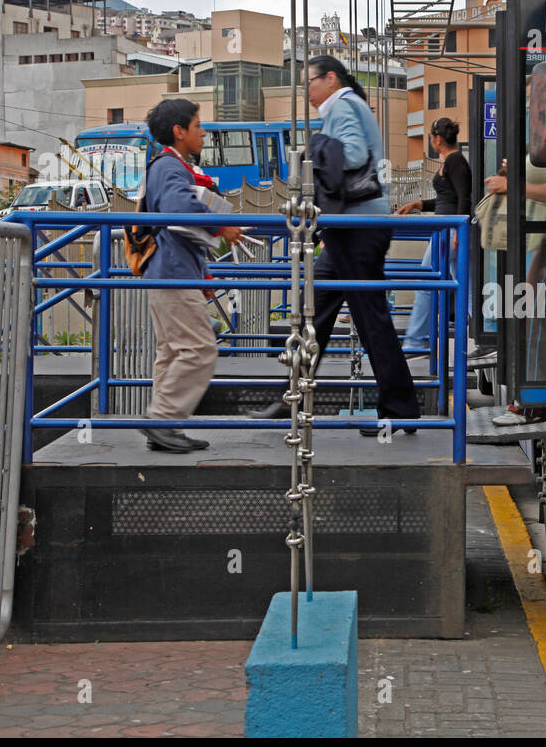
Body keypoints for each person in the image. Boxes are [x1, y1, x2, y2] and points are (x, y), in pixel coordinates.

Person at [252, 55, 421, 435]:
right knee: (317, 313)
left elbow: (355, 154)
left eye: (309, 83)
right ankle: (291, 396)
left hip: (356, 227)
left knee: (365, 318)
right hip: (354, 227)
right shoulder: (350, 105)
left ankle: (399, 409)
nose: (306, 92)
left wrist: (317, 147)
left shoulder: (342, 104)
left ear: (329, 78)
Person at [139, 99, 244, 453]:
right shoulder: (171, 167)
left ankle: (168, 427)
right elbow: (178, 208)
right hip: (173, 272)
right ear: (178, 131)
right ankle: (163, 419)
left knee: (171, 352)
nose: (203, 132)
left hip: (170, 270)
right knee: (199, 348)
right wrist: (223, 225)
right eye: (198, 126)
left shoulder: (165, 165)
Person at [484, 154, 546, 426]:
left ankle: (533, 405)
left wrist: (511, 185)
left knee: (536, 316)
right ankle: (537, 397)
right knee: (539, 316)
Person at [398, 117, 472, 355]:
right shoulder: (449, 162)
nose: (431, 142)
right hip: (446, 230)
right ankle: (480, 332)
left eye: (431, 137)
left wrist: (459, 231)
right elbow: (445, 198)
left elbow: (464, 197)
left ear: (438, 138)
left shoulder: (456, 162)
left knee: (426, 283)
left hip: (449, 232)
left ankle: (414, 341)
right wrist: (419, 203)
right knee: (465, 287)